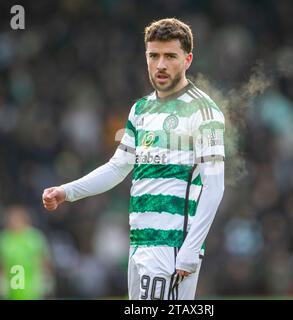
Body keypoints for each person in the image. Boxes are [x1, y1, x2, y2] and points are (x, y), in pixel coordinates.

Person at [42, 18, 225, 300]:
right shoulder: (141, 109)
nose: (160, 64)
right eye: (154, 55)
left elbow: (215, 187)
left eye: (170, 56)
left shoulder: (203, 111)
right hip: (139, 242)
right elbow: (118, 167)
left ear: (187, 59)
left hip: (172, 244)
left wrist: (191, 248)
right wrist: (68, 191)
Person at [0, 205, 53, 300]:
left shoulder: (35, 237)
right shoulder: (4, 238)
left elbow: (44, 260)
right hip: (11, 287)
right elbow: (2, 262)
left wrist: (46, 279)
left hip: (32, 287)